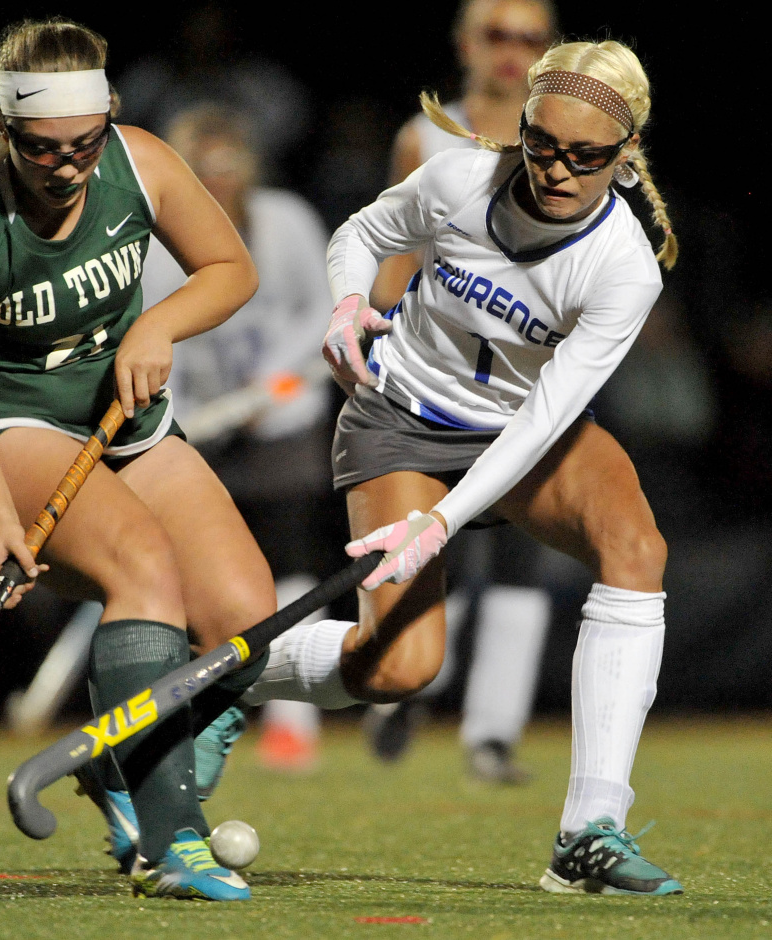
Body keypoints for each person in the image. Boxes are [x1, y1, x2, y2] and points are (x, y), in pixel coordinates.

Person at [245, 38, 685, 895]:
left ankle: (587, 831)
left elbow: (544, 421)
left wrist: (442, 522)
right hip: (402, 418)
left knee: (635, 547)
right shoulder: (455, 181)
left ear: (625, 159)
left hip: (521, 435)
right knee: (400, 669)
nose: (558, 171)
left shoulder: (623, 269)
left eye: (587, 157)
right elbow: (363, 233)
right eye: (542, 145)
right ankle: (235, 678)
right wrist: (345, 300)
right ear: (520, 127)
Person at [0, 17, 281, 901]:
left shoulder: (140, 160)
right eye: (41, 150)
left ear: (108, 116)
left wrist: (156, 323)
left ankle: (119, 767)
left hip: (121, 418)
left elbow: (230, 266)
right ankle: (170, 841)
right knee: (141, 569)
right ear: (6, 130)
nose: (66, 168)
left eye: (83, 144)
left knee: (243, 624)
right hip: (11, 433)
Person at [365, 0, 558, 783]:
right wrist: (370, 346)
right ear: (463, 44)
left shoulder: (570, 139)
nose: (511, 52)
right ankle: (406, 685)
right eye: (495, 34)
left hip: (532, 384)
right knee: (420, 547)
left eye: (530, 38)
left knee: (518, 559)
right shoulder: (426, 135)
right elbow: (393, 256)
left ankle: (491, 735)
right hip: (435, 384)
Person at [140, 103, 336, 772]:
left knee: (285, 566)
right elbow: (157, 339)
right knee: (201, 579)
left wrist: (270, 384)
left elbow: (323, 310)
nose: (216, 181)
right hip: (202, 433)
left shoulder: (286, 222)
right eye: (201, 169)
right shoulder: (154, 249)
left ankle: (291, 724)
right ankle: (197, 714)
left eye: (227, 166)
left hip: (283, 422)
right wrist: (188, 417)